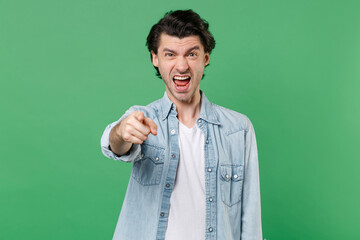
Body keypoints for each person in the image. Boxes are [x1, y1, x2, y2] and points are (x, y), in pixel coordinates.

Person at [101, 9, 262, 240]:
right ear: (155, 58)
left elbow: (251, 217)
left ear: (205, 58)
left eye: (191, 54)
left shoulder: (238, 129)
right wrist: (122, 132)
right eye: (170, 54)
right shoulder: (141, 118)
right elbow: (114, 144)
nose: (182, 66)